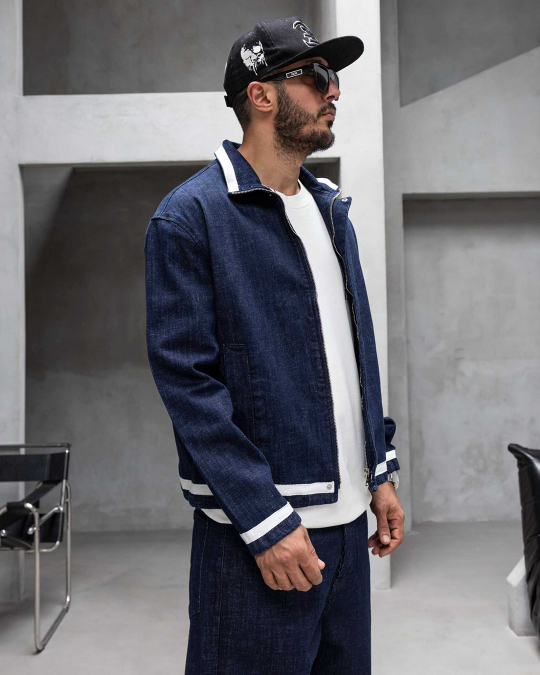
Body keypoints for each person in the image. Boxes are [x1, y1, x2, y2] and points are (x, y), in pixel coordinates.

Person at [144, 15, 405, 675]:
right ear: (260, 95)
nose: (334, 90)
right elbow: (188, 383)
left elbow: (353, 355)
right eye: (316, 76)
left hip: (348, 530)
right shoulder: (191, 217)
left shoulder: (330, 211)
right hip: (261, 535)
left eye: (334, 77)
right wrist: (263, 518)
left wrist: (378, 471)